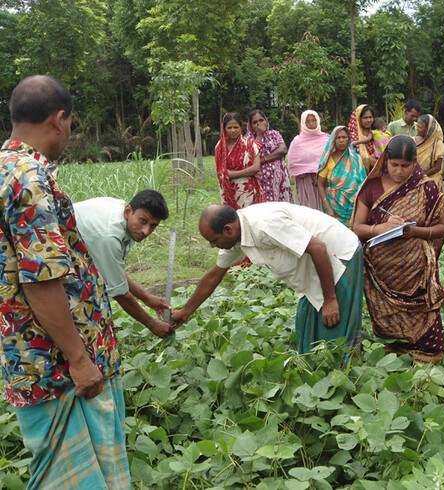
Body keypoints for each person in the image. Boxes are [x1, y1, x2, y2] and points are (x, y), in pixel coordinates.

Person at [0, 76, 129, 487]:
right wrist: (78, 358)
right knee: (76, 475)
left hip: (26, 354)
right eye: (70, 124)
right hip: (56, 366)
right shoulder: (28, 178)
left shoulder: (4, 167)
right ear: (59, 120)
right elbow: (40, 279)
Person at [170, 203, 364, 355]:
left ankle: (346, 373)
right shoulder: (235, 237)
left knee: (334, 334)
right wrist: (186, 311)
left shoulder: (264, 226)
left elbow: (318, 248)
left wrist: (330, 299)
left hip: (338, 255)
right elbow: (214, 275)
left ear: (228, 230)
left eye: (214, 240)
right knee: (307, 331)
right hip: (314, 268)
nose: (213, 246)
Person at [352, 136, 444, 363]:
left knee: (423, 315)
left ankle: (426, 351)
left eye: (405, 166)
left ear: (415, 163)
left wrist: (416, 232)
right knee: (389, 317)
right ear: (385, 161)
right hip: (381, 271)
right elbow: (357, 227)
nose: (399, 171)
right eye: (394, 165)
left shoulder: (425, 187)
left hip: (416, 270)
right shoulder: (372, 187)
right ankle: (396, 347)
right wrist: (382, 228)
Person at [74, 190, 173, 338]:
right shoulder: (109, 236)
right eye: (143, 221)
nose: (146, 231)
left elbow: (115, 271)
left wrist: (146, 297)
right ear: (128, 211)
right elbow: (120, 293)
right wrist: (152, 324)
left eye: (153, 226)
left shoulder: (123, 215)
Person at [318, 126, 367, 227]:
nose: (341, 140)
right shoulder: (327, 160)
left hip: (353, 207)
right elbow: (320, 184)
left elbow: (363, 184)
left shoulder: (356, 159)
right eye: (338, 137)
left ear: (349, 139)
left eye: (344, 137)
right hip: (334, 207)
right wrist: (328, 208)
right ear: (333, 140)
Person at [215, 112, 266, 210]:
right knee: (232, 220)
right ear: (224, 128)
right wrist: (247, 172)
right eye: (229, 128)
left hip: (249, 192)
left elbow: (256, 168)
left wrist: (232, 174)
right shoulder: (220, 147)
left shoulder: (250, 145)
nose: (233, 130)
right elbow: (221, 173)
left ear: (241, 127)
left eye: (235, 127)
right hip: (228, 191)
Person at [246, 110, 294, 203]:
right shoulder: (247, 139)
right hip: (259, 181)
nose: (258, 124)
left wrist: (262, 160)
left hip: (279, 181)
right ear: (251, 126)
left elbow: (283, 150)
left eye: (261, 120)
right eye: (255, 122)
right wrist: (259, 136)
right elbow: (250, 157)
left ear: (266, 121)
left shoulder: (274, 134)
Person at [286, 110, 330, 210]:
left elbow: (331, 158)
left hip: (324, 180)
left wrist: (320, 173)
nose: (311, 124)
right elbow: (293, 163)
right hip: (305, 182)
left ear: (318, 121)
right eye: (307, 121)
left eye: (313, 120)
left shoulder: (326, 139)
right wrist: (308, 170)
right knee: (308, 210)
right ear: (303, 123)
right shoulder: (297, 141)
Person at [348, 104, 388, 171]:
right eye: (365, 118)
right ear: (358, 119)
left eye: (370, 117)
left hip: (378, 173)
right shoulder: (352, 135)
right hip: (359, 173)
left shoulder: (377, 132)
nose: (369, 120)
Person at [415, 114, 444, 192]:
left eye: (420, 127)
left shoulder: (437, 144)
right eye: (417, 126)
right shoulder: (414, 140)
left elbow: (437, 167)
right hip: (416, 179)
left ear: (427, 129)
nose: (417, 129)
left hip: (432, 181)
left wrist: (421, 175)